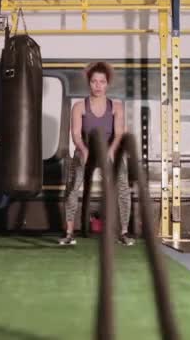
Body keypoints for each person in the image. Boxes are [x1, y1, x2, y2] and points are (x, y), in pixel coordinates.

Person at [59, 61, 135, 246]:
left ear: (107, 83)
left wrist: (110, 151)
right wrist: (83, 150)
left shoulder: (116, 107)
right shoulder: (79, 106)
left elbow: (118, 134)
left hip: (110, 150)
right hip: (85, 149)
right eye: (94, 81)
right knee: (71, 189)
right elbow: (76, 134)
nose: (98, 86)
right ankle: (69, 233)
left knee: (123, 188)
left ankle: (123, 232)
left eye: (102, 82)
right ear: (89, 83)